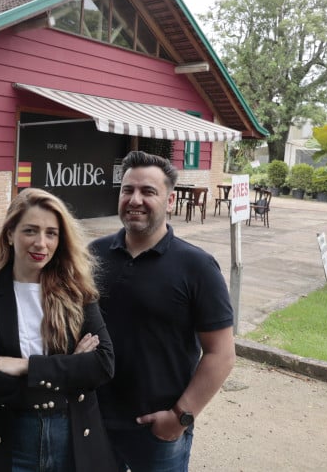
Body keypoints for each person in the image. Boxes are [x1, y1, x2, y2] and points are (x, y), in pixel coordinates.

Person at [89, 150, 236, 472]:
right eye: (128, 190)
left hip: (156, 430)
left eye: (148, 192)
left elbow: (221, 354)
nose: (135, 199)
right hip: (93, 419)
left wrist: (180, 417)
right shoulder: (92, 255)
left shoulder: (197, 266)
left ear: (169, 202)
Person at [0, 187, 118, 472]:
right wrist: (72, 367)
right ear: (10, 234)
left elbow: (103, 364)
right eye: (30, 231)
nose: (41, 243)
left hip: (72, 434)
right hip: (11, 437)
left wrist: (27, 367)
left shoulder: (77, 291)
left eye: (51, 233)